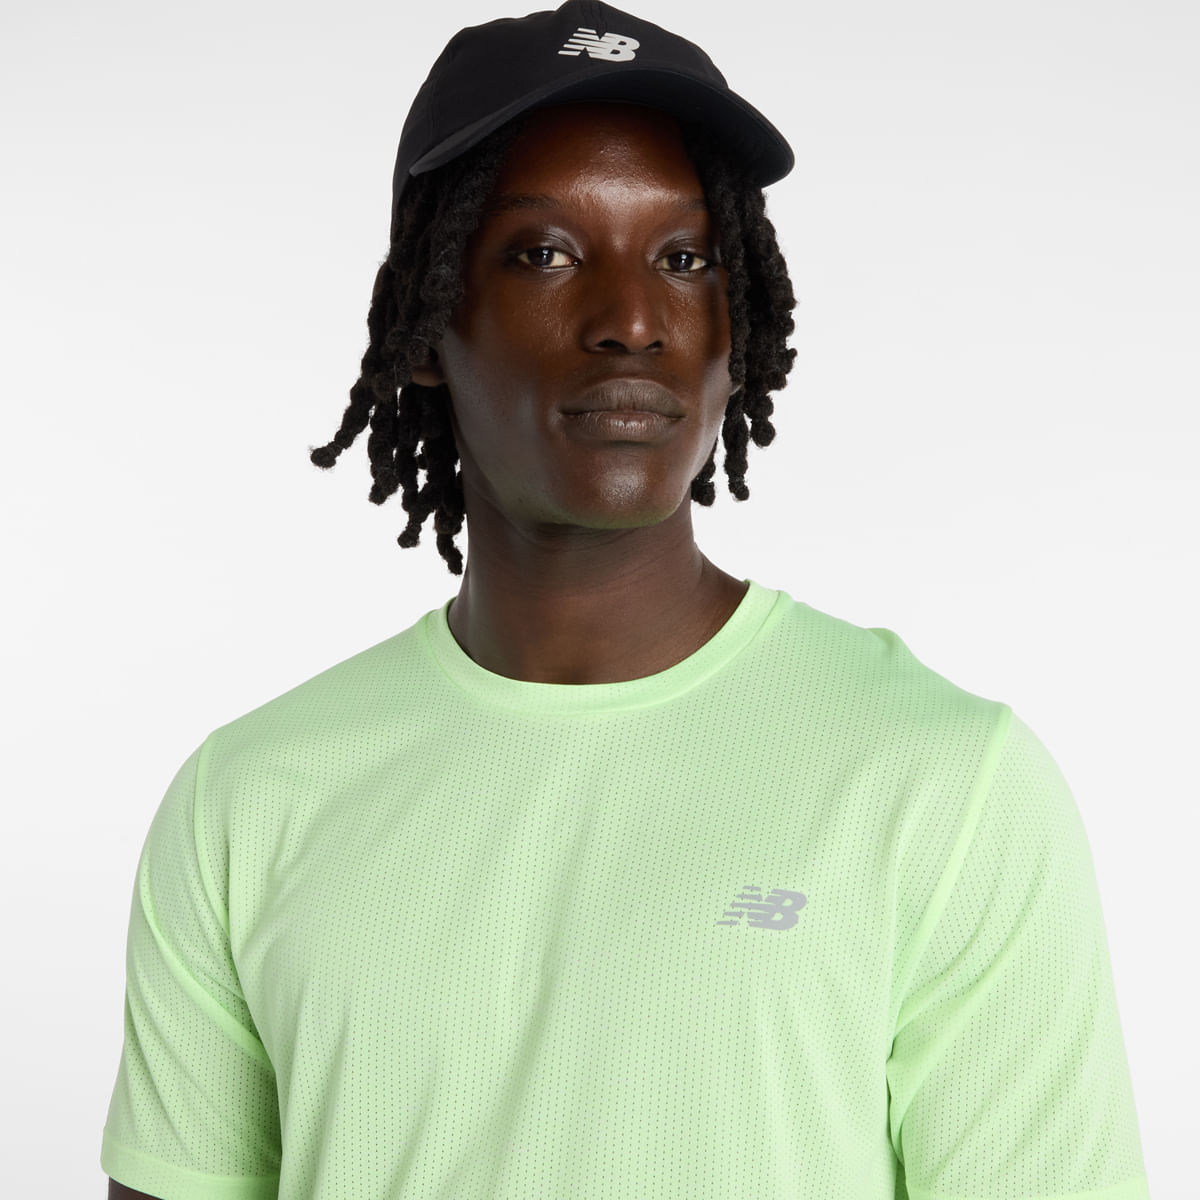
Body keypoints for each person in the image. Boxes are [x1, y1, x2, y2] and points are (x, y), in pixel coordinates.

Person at [101, 2, 1151, 1197]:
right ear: (427, 323)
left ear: (737, 325)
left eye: (686, 259)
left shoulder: (944, 784)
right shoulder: (248, 799)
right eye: (543, 254)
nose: (632, 323)